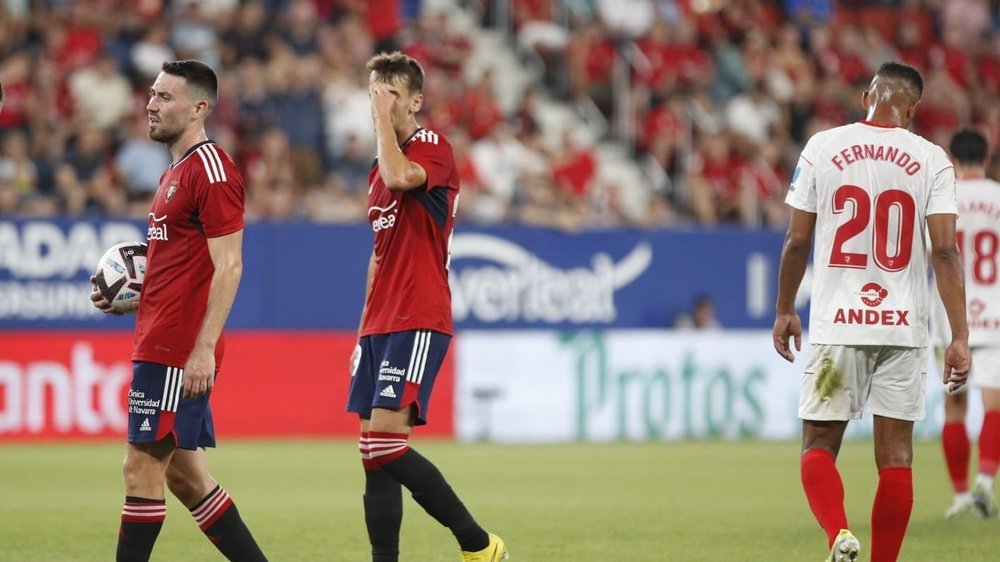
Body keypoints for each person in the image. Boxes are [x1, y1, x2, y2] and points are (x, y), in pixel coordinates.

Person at [772, 61, 970, 562]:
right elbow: (944, 252)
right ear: (913, 108)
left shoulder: (822, 147)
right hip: (903, 331)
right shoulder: (933, 160)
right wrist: (960, 336)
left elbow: (797, 240)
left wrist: (783, 310)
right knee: (897, 458)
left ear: (867, 98)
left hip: (837, 326)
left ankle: (839, 534)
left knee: (817, 443)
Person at [89, 60, 268, 562]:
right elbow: (182, 270)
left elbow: (229, 266)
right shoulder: (175, 172)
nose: (151, 103)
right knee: (187, 478)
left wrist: (203, 349)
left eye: (166, 97)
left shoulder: (212, 170)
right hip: (162, 336)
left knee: (139, 469)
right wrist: (130, 297)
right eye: (152, 93)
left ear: (199, 108)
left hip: (179, 347)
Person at [346, 51, 507, 562]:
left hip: (419, 314)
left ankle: (480, 546)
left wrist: (379, 121)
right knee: (372, 456)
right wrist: (359, 334)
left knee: (387, 446)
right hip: (380, 323)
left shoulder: (431, 146)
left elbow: (399, 178)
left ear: (415, 100)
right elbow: (378, 255)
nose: (379, 99)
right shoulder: (378, 166)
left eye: (389, 91)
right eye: (374, 89)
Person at [935, 128, 1000, 519]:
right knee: (994, 407)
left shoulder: (944, 197)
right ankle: (986, 482)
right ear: (988, 156)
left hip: (950, 315)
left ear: (952, 159)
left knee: (954, 407)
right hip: (995, 313)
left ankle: (960, 496)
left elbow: (935, 253)